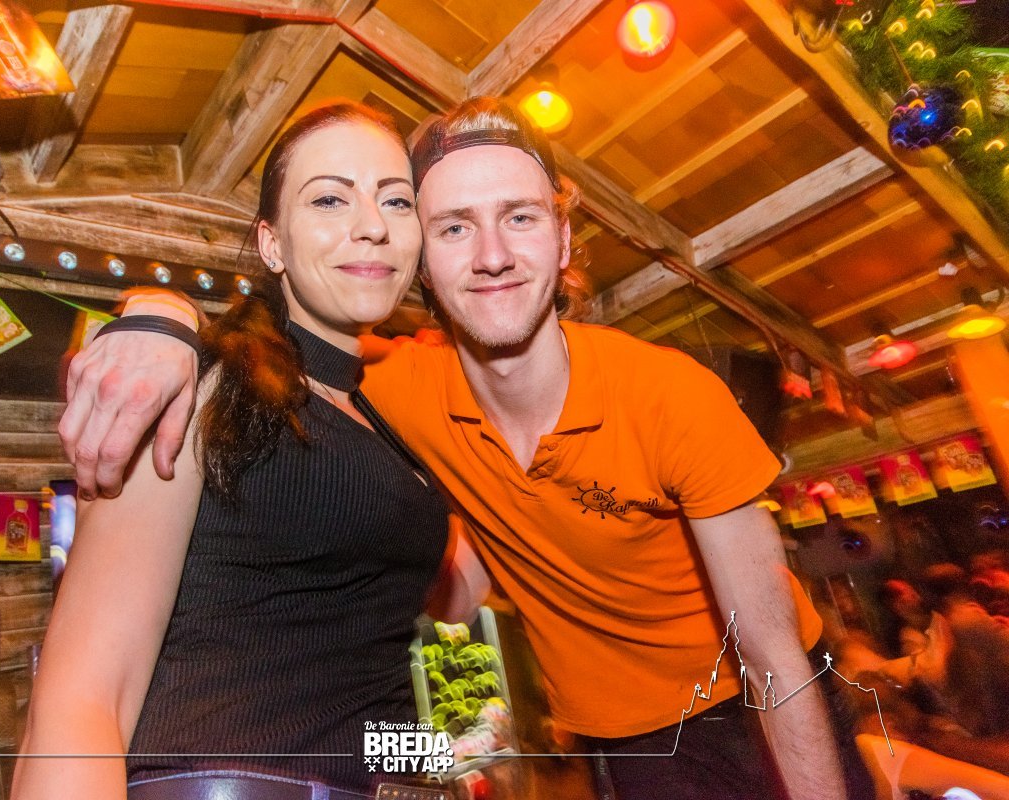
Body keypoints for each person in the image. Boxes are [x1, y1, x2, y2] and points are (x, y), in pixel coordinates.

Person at [59, 97, 871, 800]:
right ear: (425, 256)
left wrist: (443, 754)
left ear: (563, 239)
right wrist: (160, 315)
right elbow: (91, 690)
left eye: (520, 217)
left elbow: (774, 656)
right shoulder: (304, 391)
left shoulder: (656, 394)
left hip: (742, 712)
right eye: (454, 225)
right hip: (565, 745)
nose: (491, 255)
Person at [14, 102, 469, 800]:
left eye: (395, 201)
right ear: (271, 244)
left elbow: (418, 626)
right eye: (329, 199)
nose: (372, 225)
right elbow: (85, 696)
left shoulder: (385, 417)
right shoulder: (204, 384)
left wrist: (455, 762)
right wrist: (162, 314)